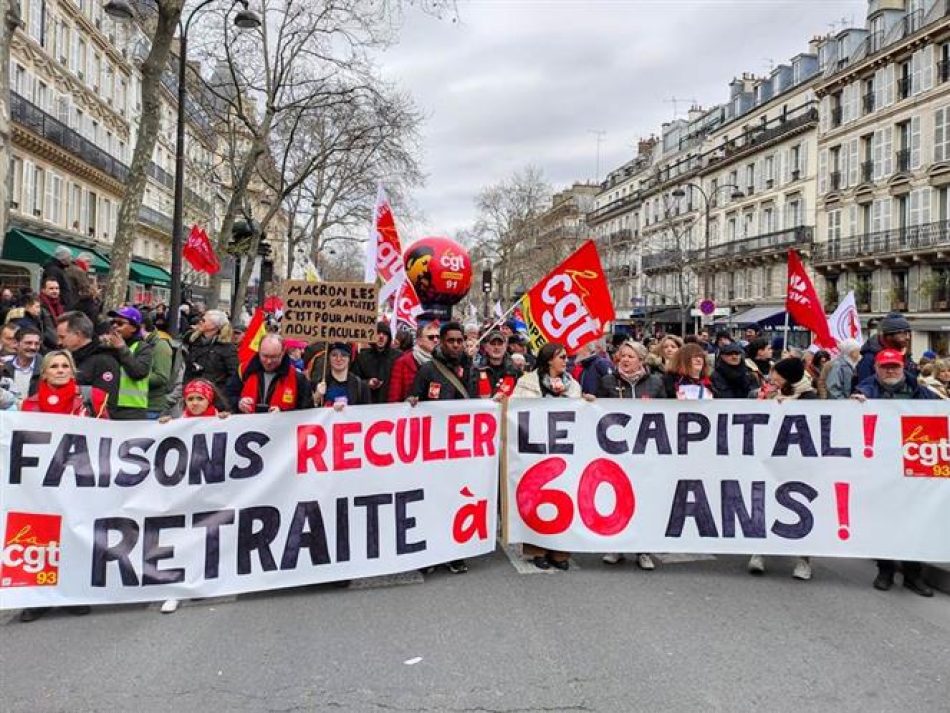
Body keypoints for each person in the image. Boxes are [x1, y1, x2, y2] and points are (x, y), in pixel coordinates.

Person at [17, 349, 109, 623]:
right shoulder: (30, 405)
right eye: (53, 366)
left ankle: (74, 591)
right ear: (44, 372)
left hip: (79, 480)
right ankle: (37, 597)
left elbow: (108, 436)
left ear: (72, 370)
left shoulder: (92, 400)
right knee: (41, 538)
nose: (59, 370)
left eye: (64, 366)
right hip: (42, 484)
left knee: (75, 534)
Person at [853, 349, 937, 596]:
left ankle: (913, 574)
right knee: (885, 520)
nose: (890, 371)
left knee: (914, 521)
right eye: (885, 367)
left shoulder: (922, 394)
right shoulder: (865, 392)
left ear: (903, 368)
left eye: (895, 366)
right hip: (879, 468)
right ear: (876, 369)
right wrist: (853, 406)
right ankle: (885, 570)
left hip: (911, 467)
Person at [157, 378, 230, 613]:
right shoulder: (177, 423)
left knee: (210, 535)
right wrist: (163, 427)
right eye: (191, 399)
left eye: (200, 398)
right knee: (183, 537)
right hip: (184, 491)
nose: (195, 403)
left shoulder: (224, 420)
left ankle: (207, 581)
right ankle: (177, 589)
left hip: (212, 491)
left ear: (209, 399)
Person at [408, 321, 474, 575]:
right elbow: (413, 400)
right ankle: (429, 552)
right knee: (431, 500)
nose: (456, 345)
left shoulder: (469, 368)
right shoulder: (427, 370)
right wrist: (412, 401)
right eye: (451, 341)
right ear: (442, 342)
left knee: (455, 499)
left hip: (459, 449)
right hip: (432, 448)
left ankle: (454, 552)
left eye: (460, 341)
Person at [512, 342, 584, 570]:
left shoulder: (572, 385)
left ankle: (560, 551)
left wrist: (586, 403)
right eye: (561, 357)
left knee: (562, 498)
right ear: (548, 360)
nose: (566, 360)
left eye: (566, 357)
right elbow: (516, 408)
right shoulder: (527, 383)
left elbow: (580, 414)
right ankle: (537, 550)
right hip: (536, 450)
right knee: (537, 498)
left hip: (563, 450)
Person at [596, 340, 664, 570]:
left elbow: (669, 411)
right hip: (616, 450)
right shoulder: (607, 382)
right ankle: (616, 546)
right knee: (617, 498)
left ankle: (643, 549)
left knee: (643, 499)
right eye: (622, 356)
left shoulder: (655, 383)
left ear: (641, 360)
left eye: (630, 356)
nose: (625, 360)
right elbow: (597, 411)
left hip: (646, 451)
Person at [747, 356, 816, 580]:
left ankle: (804, 560)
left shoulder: (809, 398)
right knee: (764, 503)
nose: (772, 377)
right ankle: (760, 551)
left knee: (800, 509)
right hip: (770, 459)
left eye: (777, 374)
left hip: (799, 462)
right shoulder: (770, 394)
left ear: (788, 378)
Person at [101, 306, 154, 421]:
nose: (115, 326)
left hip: (132, 410)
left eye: (120, 323)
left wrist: (122, 348)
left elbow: (138, 372)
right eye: (113, 322)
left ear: (133, 328)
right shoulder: (107, 346)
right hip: (106, 406)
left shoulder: (143, 348)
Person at [238, 334, 313, 413]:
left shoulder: (298, 378)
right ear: (259, 351)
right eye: (265, 356)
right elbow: (228, 397)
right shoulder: (243, 370)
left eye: (273, 357)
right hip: (248, 424)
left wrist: (283, 412)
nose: (268, 361)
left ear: (283, 352)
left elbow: (307, 411)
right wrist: (239, 402)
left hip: (281, 424)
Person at [55, 311, 120, 403]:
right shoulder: (68, 359)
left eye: (62, 337)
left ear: (78, 335)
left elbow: (105, 401)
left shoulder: (104, 362)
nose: (59, 342)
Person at [182, 309, 239, 410]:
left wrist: (221, 394)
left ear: (215, 325)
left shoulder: (226, 347)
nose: (200, 322)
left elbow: (233, 374)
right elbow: (188, 370)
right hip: (193, 397)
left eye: (204, 320)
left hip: (216, 399)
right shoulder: (194, 342)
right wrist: (186, 389)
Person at [856, 312, 915, 383]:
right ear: (888, 336)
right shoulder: (870, 358)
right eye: (903, 334)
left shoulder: (905, 355)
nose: (908, 338)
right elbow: (864, 387)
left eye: (908, 333)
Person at [388, 322, 439, 403]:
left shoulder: (439, 363)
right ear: (419, 341)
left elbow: (435, 395)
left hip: (430, 413)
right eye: (431, 337)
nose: (436, 340)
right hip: (409, 414)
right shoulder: (402, 362)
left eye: (437, 337)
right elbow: (394, 398)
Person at [352, 321, 399, 404]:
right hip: (368, 404)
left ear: (389, 337)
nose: (381, 336)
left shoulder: (398, 356)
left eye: (384, 334)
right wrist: (367, 383)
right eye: (378, 333)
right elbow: (353, 379)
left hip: (391, 405)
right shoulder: (362, 357)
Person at [314, 342, 370, 408]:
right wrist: (316, 399)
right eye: (334, 355)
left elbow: (366, 413)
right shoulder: (320, 383)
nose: (338, 359)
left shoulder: (360, 386)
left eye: (343, 355)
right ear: (328, 358)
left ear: (349, 359)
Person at [142, 314, 173, 419]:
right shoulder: (137, 344)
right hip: (136, 405)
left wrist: (133, 378)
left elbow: (161, 377)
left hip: (152, 407)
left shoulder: (160, 346)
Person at [473, 329, 519, 398]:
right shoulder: (476, 370)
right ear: (486, 347)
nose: (496, 347)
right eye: (493, 344)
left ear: (506, 346)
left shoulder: (515, 371)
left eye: (500, 344)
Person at [0, 326, 42, 402]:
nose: (33, 347)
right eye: (28, 343)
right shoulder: (4, 368)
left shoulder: (46, 368)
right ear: (16, 343)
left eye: (37, 344)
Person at [42, 245, 74, 309]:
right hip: (58, 307)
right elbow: (52, 290)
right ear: (63, 258)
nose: (71, 259)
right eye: (70, 257)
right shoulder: (54, 270)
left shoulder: (59, 270)